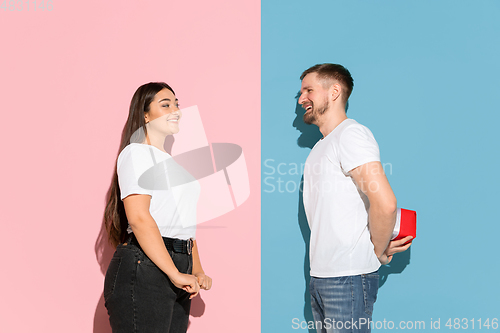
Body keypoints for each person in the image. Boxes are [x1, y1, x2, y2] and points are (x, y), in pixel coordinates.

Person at [298, 64, 412, 333]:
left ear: (334, 91)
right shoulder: (321, 146)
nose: (302, 99)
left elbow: (385, 202)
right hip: (322, 276)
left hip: (346, 277)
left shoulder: (351, 135)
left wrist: (377, 252)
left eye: (308, 90)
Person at [103, 82, 212, 333]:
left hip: (176, 262)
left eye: (177, 104)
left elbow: (183, 223)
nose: (175, 110)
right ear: (145, 114)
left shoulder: (173, 164)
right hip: (146, 266)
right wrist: (174, 273)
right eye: (165, 105)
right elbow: (140, 218)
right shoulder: (136, 153)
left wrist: (196, 268)